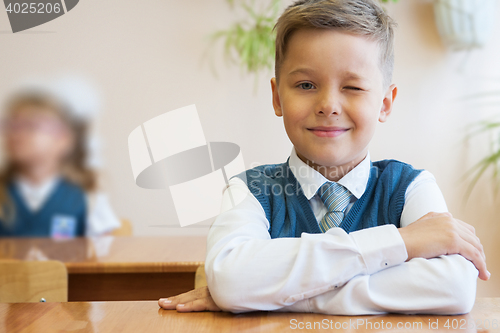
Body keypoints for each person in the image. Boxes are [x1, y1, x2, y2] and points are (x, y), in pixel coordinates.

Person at [158, 0, 489, 314]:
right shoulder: (250, 190)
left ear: (385, 104)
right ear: (277, 97)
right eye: (305, 85)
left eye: (353, 87)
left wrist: (274, 294)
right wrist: (400, 242)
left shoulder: (411, 187)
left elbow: (455, 287)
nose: (328, 104)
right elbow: (231, 279)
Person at [0, 76, 121, 238]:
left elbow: (103, 255)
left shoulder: (88, 196)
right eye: (12, 125)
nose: (17, 134)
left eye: (31, 125)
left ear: (64, 139)